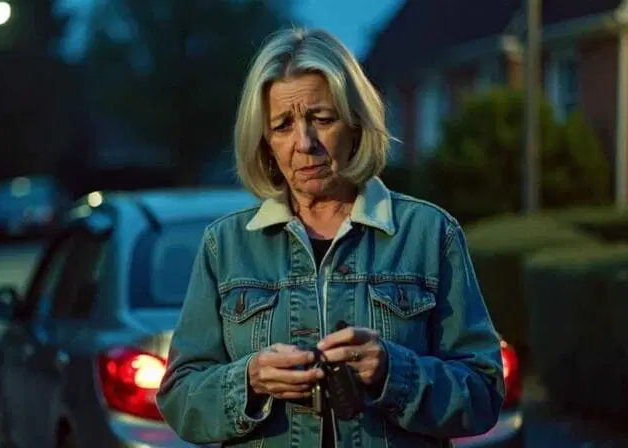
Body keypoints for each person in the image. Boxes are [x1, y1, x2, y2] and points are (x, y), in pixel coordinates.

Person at [156, 27, 505, 447]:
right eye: (282, 125)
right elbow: (179, 398)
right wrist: (248, 380)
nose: (305, 143)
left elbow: (483, 394)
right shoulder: (225, 245)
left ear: (356, 123)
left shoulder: (429, 234)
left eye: (322, 119)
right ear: (265, 141)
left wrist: (395, 372)